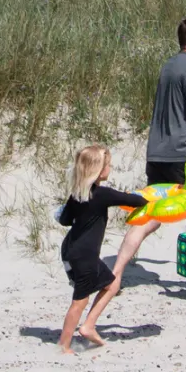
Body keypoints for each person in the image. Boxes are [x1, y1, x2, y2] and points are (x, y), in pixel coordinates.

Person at [107, 16, 186, 297]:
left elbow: (179, 108)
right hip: (184, 156)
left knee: (150, 214)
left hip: (158, 153)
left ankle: (114, 274)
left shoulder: (169, 66)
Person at [55, 145, 147, 354]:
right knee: (80, 300)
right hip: (84, 255)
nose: (110, 168)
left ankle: (88, 326)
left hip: (71, 250)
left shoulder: (78, 194)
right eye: (108, 165)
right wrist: (153, 197)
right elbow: (136, 201)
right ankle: (64, 344)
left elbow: (65, 219)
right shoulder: (102, 194)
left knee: (112, 284)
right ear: (98, 169)